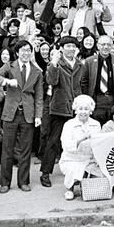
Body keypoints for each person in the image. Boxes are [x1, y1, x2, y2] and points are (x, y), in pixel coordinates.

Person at [0, 40, 44, 193]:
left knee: (25, 150)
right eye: (23, 50)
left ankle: (23, 181)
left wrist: (38, 115)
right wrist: (6, 81)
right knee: (7, 149)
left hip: (28, 114)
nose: (26, 53)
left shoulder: (36, 71)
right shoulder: (10, 66)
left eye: (28, 50)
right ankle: (5, 183)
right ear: (17, 52)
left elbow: (39, 96)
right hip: (10, 113)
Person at [40, 36, 85, 188]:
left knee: (77, 139)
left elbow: (81, 85)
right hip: (59, 107)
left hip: (75, 108)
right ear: (62, 48)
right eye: (68, 46)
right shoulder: (56, 64)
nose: (71, 49)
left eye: (73, 46)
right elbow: (51, 81)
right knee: (53, 140)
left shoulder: (80, 64)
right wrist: (53, 62)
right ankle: (45, 173)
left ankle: (77, 170)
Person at [59, 95, 103, 200]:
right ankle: (70, 189)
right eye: (80, 109)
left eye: (86, 109)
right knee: (74, 170)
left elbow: (99, 144)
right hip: (72, 159)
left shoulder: (96, 124)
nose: (83, 112)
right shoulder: (69, 125)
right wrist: (81, 139)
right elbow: (66, 146)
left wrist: (98, 159)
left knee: (101, 177)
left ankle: (86, 186)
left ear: (91, 111)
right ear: (76, 110)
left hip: (89, 159)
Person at [83, 34, 114, 122]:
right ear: (98, 46)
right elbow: (84, 82)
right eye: (103, 44)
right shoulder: (89, 61)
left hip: (113, 99)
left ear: (112, 46)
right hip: (96, 100)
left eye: (108, 45)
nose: (105, 47)